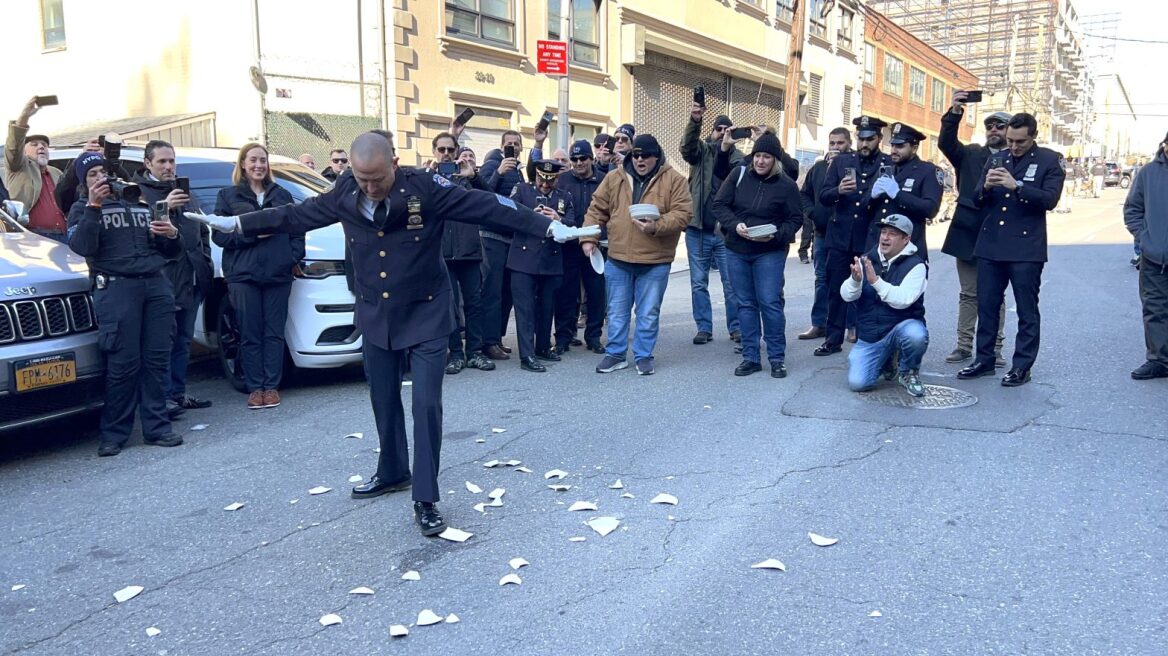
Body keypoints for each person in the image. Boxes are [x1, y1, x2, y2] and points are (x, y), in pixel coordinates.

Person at [187, 133, 593, 536]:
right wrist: (239, 223)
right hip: (377, 313)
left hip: (427, 311)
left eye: (376, 179)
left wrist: (546, 228)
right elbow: (297, 215)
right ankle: (392, 470)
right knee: (382, 397)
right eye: (362, 179)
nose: (369, 188)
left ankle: (426, 496)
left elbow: (487, 207)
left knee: (425, 405)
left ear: (394, 164)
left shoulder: (425, 187)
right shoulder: (346, 188)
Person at [66, 152, 184, 457]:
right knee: (123, 364)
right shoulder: (81, 208)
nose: (101, 178)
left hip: (155, 285)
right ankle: (114, 434)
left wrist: (172, 234)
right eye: (93, 174)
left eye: (104, 172)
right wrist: (94, 206)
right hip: (117, 289)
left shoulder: (138, 202)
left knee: (157, 360)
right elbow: (82, 247)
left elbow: (169, 250)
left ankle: (157, 428)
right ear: (83, 182)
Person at [958, 112, 1064, 387]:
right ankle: (984, 360)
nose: (1014, 147)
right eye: (1010, 141)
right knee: (987, 305)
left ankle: (1021, 366)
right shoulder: (997, 158)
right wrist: (985, 189)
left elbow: (1050, 200)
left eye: (1020, 142)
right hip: (991, 245)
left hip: (1025, 248)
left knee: (1026, 310)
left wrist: (1017, 186)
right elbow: (977, 198)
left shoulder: (1049, 160)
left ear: (1033, 137)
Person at [580, 134, 692, 375]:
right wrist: (588, 238)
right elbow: (596, 209)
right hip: (618, 258)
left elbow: (683, 214)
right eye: (636, 155)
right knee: (617, 312)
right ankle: (616, 354)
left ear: (657, 157)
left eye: (646, 156)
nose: (640, 160)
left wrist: (656, 226)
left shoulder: (674, 180)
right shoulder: (614, 178)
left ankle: (643, 356)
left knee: (648, 313)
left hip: (655, 260)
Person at [212, 143, 304, 409]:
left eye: (262, 160)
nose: (258, 165)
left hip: (277, 274)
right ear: (243, 164)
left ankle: (271, 387)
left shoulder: (282, 194)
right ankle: (256, 388)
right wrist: (252, 234)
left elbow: (298, 229)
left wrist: (291, 257)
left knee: (274, 332)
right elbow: (219, 234)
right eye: (253, 160)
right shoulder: (228, 196)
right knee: (250, 333)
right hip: (243, 275)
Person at [132, 139, 214, 414]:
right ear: (147, 164)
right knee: (161, 344)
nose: (168, 167)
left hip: (192, 279)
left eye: (172, 161)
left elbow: (201, 228)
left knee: (182, 342)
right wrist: (164, 206)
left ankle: (177, 395)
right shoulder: (138, 193)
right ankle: (160, 400)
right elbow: (140, 236)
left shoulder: (184, 190)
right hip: (163, 281)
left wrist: (205, 263)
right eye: (162, 162)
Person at [713, 133, 804, 378]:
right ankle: (750, 357)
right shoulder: (739, 175)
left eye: (767, 157)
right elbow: (719, 205)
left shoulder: (786, 185)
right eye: (757, 156)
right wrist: (735, 225)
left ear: (776, 160)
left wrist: (775, 235)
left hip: (769, 251)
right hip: (737, 249)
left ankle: (776, 358)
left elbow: (796, 218)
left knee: (770, 302)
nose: (761, 161)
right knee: (745, 303)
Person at [938, 96, 1009, 365]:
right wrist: (955, 111)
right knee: (969, 293)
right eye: (990, 126)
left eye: (1000, 126)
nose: (993, 130)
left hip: (1000, 235)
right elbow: (946, 142)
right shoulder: (969, 154)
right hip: (968, 231)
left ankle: (995, 348)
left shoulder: (1015, 158)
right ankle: (964, 345)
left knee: (995, 295)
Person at [817, 115, 893, 356]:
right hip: (840, 237)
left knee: (870, 291)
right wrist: (838, 190)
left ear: (879, 139)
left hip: (871, 237)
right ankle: (833, 339)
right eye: (861, 138)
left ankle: (867, 338)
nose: (864, 144)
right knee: (836, 290)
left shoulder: (888, 163)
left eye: (870, 139)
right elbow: (824, 196)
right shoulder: (842, 162)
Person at [843, 214, 929, 398]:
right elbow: (846, 295)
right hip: (871, 334)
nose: (885, 237)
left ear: (906, 239)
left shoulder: (917, 265)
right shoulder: (866, 259)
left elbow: (903, 300)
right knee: (858, 383)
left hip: (901, 326)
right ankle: (887, 360)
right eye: (883, 232)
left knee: (916, 335)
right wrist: (855, 280)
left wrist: (875, 282)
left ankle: (908, 371)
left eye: (892, 234)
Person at [680, 103, 742, 346]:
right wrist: (695, 121)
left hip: (725, 233)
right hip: (698, 231)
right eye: (719, 129)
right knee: (698, 282)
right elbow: (686, 148)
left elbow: (743, 168)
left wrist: (728, 147)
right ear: (712, 131)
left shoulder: (736, 156)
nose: (722, 133)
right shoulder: (701, 151)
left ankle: (735, 328)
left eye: (728, 129)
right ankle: (704, 328)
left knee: (731, 283)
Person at [432, 136, 495, 374]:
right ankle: (456, 354)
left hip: (470, 252)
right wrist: (431, 174)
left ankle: (475, 353)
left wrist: (473, 176)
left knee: (474, 304)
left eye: (451, 149)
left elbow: (491, 200)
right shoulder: (428, 179)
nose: (446, 154)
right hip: (442, 254)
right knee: (449, 307)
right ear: (435, 152)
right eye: (442, 149)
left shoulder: (466, 180)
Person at [508, 160, 575, 372]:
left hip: (551, 259)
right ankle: (526, 356)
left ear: (557, 178)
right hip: (523, 259)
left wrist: (559, 218)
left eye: (551, 181)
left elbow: (574, 224)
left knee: (547, 307)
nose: (545, 185)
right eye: (542, 180)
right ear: (535, 176)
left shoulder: (565, 197)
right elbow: (507, 215)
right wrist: (531, 214)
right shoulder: (522, 190)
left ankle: (543, 347)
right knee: (525, 310)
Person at [797, 128, 851, 341]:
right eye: (832, 143)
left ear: (849, 143)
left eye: (840, 143)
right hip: (822, 233)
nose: (836, 147)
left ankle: (851, 327)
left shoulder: (854, 167)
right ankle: (819, 324)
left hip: (847, 233)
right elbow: (805, 195)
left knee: (851, 280)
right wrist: (813, 213)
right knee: (821, 279)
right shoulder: (818, 168)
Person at [478, 130, 527, 360]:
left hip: (512, 239)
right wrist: (498, 172)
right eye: (509, 144)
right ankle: (488, 342)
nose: (513, 147)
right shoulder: (492, 164)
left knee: (506, 293)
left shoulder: (519, 172)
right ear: (501, 146)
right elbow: (482, 192)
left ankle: (496, 338)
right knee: (493, 292)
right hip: (492, 237)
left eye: (517, 144)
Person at [555, 139, 607, 354]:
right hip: (569, 245)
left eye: (582, 158)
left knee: (596, 293)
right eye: (574, 159)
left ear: (591, 159)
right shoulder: (562, 180)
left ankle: (593, 337)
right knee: (565, 293)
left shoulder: (605, 180)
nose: (578, 163)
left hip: (595, 244)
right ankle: (563, 338)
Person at [1123, 133, 1168, 380]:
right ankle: (1159, 360)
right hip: (1155, 256)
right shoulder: (1149, 173)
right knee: (1155, 308)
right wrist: (1145, 239)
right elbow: (1133, 208)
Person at [867, 122, 942, 258]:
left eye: (900, 146)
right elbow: (865, 208)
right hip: (878, 247)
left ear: (914, 148)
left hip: (907, 248)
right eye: (893, 145)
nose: (894, 150)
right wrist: (871, 196)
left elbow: (931, 209)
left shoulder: (927, 171)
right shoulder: (885, 170)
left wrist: (898, 195)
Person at [5, 96, 67, 241]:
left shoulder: (56, 173)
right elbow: (13, 148)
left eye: (44, 145)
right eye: (34, 144)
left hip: (65, 235)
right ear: (24, 152)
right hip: (35, 238)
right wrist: (24, 117)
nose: (41, 147)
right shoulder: (19, 167)